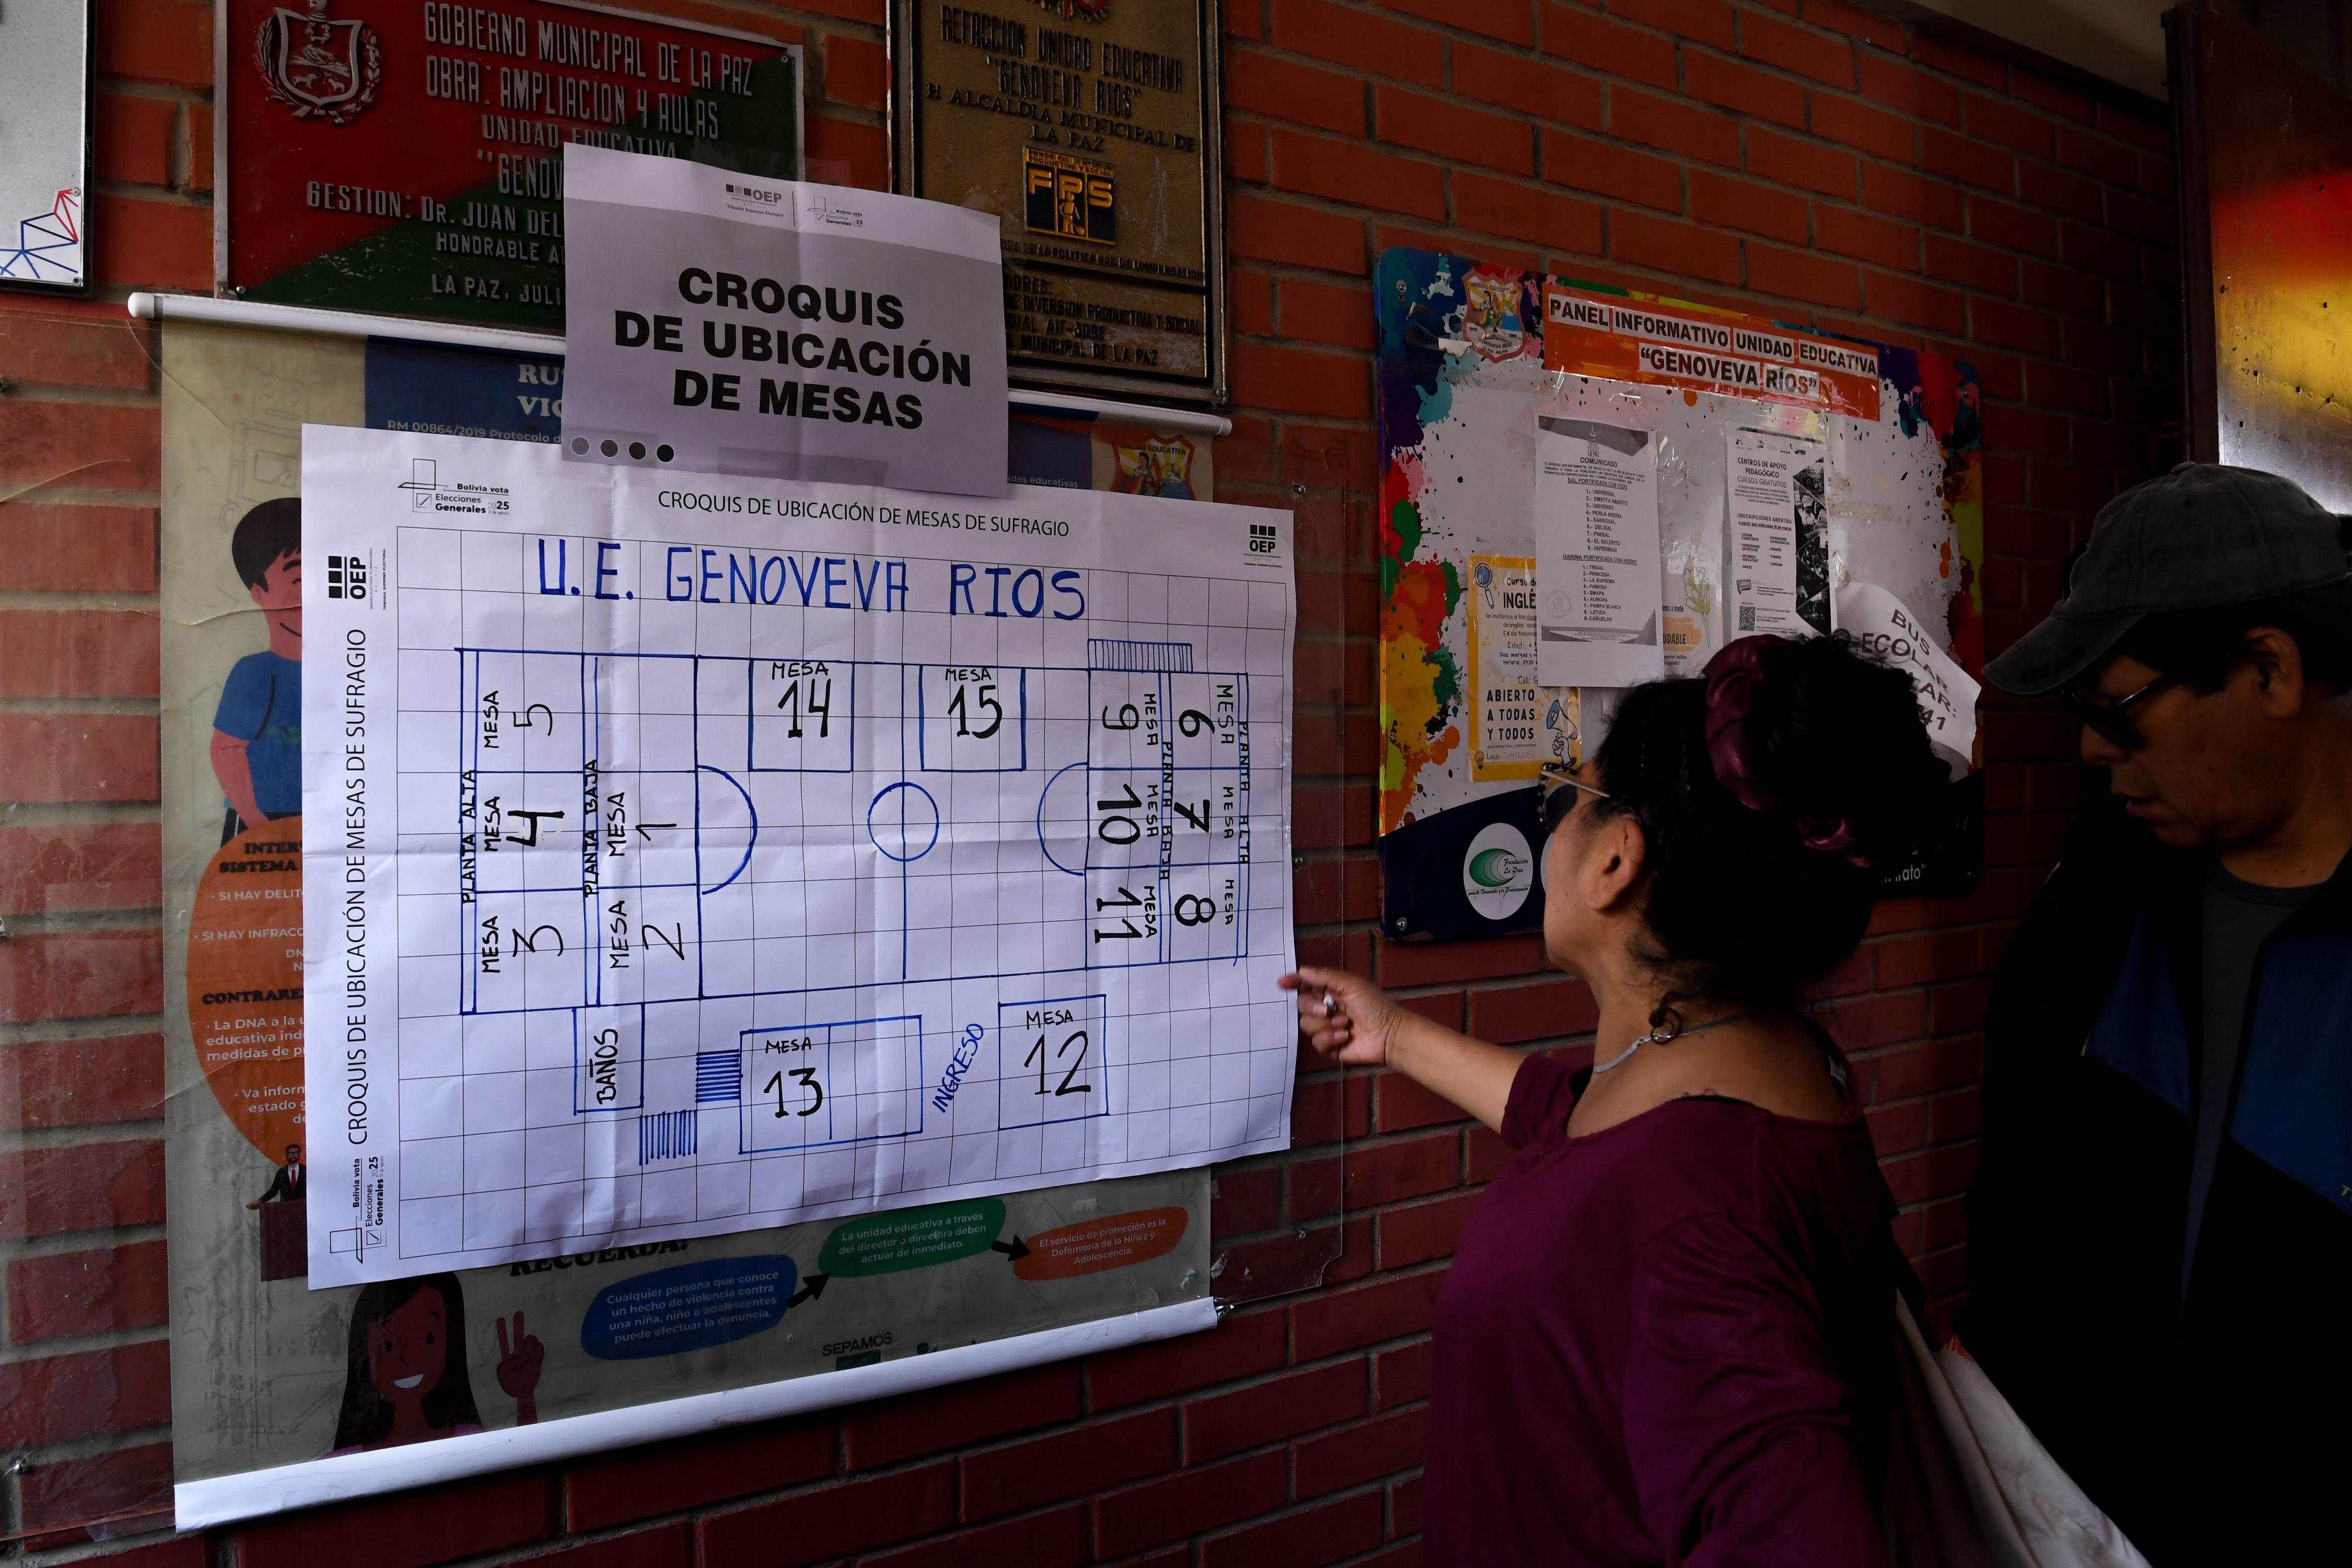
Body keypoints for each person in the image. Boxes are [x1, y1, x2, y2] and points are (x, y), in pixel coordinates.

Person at [1286, 633, 1945, 1566]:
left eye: (1571, 800)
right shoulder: (1755, 1065)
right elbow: (1577, 1125)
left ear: (1616, 861)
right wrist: (1394, 1035)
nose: (1555, 827)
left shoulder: (1701, 1224)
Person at [1963, 462, 2352, 1563]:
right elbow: (2014, 1201)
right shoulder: (2095, 892)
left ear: (2269, 669)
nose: (2093, 749)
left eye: (2116, 708)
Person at [328, 1273, 542, 1454]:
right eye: (390, 1344)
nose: (408, 1357)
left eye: (428, 1339)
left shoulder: (472, 1442)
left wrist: (525, 1399)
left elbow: (519, 1477)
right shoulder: (338, 1465)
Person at [211, 497, 302, 843]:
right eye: (298, 578)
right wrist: (259, 825)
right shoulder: (254, 674)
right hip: (261, 820)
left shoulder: (351, 670)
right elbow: (226, 750)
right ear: (259, 592)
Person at [247, 1142, 305, 1208]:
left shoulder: (305, 1171)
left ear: (299, 1154)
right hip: (285, 1209)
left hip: (303, 1209)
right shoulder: (282, 1172)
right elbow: (273, 1191)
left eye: (295, 1153)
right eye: (291, 1153)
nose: (293, 1155)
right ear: (287, 1155)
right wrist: (260, 1201)